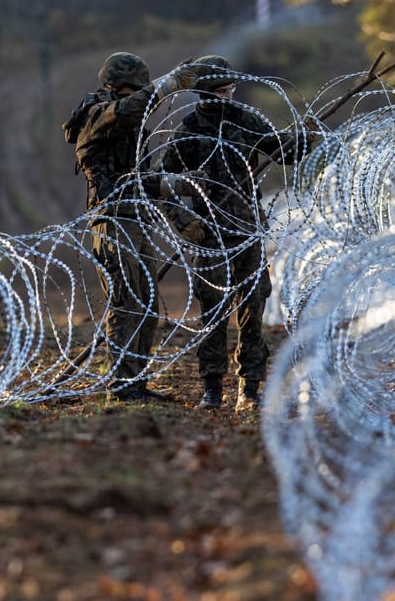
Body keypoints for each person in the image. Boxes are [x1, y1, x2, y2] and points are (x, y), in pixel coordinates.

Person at [155, 54, 313, 411]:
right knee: (213, 312)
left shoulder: (247, 120)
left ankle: (251, 388)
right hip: (210, 234)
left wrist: (303, 137)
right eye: (221, 91)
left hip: (248, 231)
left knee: (253, 309)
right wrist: (184, 222)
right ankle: (212, 387)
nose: (228, 96)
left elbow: (285, 152)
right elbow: (160, 183)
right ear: (205, 93)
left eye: (231, 90)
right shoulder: (190, 129)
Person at [63, 52, 216, 402]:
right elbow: (126, 112)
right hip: (112, 220)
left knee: (145, 303)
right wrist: (169, 84)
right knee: (127, 300)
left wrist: (180, 205)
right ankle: (121, 387)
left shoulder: (133, 129)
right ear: (122, 86)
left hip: (134, 219)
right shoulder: (97, 114)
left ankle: (134, 382)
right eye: (139, 90)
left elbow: (144, 180)